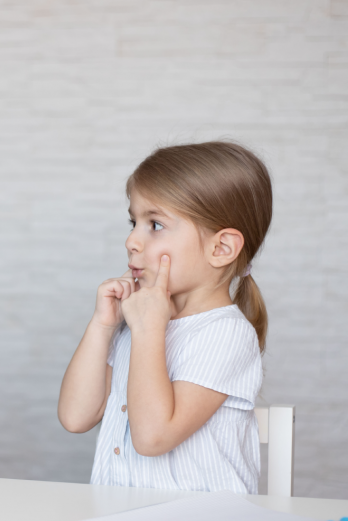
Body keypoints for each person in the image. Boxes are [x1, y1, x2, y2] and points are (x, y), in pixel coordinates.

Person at [58, 141, 272, 494]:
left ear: (221, 248)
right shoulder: (139, 321)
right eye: (133, 222)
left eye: (154, 225)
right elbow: (75, 417)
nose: (131, 240)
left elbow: (153, 438)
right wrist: (102, 326)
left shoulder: (225, 334)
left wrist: (147, 330)